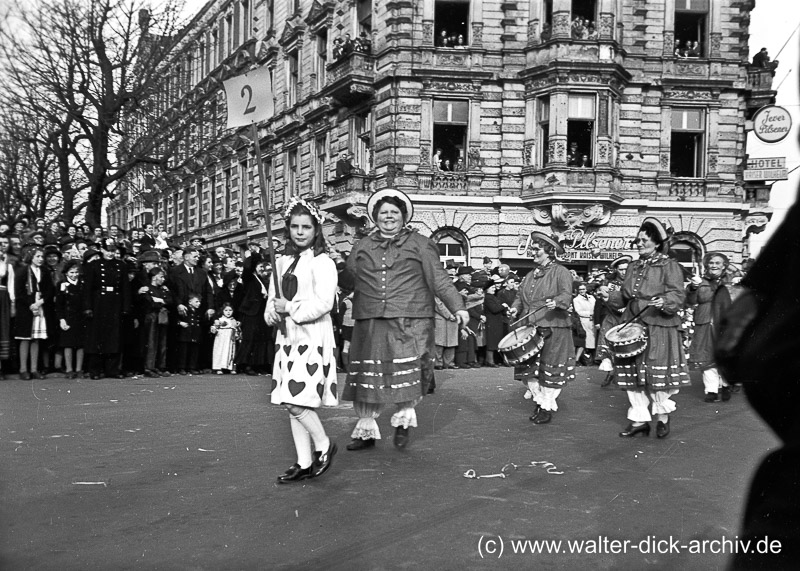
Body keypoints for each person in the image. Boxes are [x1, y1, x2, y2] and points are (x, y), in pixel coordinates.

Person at [342, 189, 468, 450]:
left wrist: (458, 306)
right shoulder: (362, 245)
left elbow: (439, 278)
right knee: (371, 374)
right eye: (384, 212)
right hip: (371, 319)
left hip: (411, 319)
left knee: (405, 372)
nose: (389, 217)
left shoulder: (421, 243)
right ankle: (365, 430)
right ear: (375, 217)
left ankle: (402, 423)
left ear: (403, 216)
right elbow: (348, 278)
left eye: (394, 212)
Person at [265, 196, 338, 483]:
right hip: (287, 339)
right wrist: (271, 313)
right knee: (290, 400)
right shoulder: (281, 262)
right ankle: (304, 461)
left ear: (315, 229)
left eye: (305, 227)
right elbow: (273, 299)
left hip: (312, 338)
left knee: (296, 401)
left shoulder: (323, 262)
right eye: (294, 226)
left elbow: (324, 303)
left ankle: (323, 445)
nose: (299, 232)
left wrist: (291, 309)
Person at [601, 218, 690, 438]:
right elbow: (624, 298)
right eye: (637, 240)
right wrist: (609, 296)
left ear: (657, 242)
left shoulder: (669, 265)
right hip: (633, 324)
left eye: (644, 240)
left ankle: (662, 418)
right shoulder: (633, 266)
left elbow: (678, 295)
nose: (638, 243)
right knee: (632, 374)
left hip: (659, 325)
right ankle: (640, 420)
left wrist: (665, 301)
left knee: (655, 375)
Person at [509, 232, 575, 424]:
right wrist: (514, 309)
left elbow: (566, 294)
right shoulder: (530, 274)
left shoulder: (560, 271)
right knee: (531, 369)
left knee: (549, 368)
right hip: (530, 327)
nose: (533, 252)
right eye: (533, 249)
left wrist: (557, 302)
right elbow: (520, 298)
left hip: (553, 326)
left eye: (537, 249)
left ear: (549, 252)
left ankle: (546, 406)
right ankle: (540, 401)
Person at [687, 252, 740, 402]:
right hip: (704, 320)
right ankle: (711, 389)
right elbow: (690, 301)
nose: (714, 266)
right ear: (706, 265)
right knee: (706, 354)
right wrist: (692, 287)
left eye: (718, 263)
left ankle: (725, 385)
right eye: (711, 263)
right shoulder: (700, 281)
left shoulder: (731, 281)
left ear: (724, 266)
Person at [82, 238, 131, 379]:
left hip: (115, 302)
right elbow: (88, 288)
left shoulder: (121, 265)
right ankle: (95, 370)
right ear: (101, 250)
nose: (110, 253)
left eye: (113, 251)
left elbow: (125, 288)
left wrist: (126, 306)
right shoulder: (94, 265)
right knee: (97, 337)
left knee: (114, 337)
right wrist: (88, 307)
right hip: (98, 303)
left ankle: (112, 369)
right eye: (108, 250)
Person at [14, 246, 54, 379]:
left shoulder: (45, 271)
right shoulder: (22, 271)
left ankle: (34, 368)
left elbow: (49, 290)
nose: (41, 259)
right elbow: (18, 292)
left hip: (40, 306)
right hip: (26, 308)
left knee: (36, 338)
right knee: (25, 338)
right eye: (38, 256)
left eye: (42, 257)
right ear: (31, 257)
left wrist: (40, 302)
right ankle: (23, 369)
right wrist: (30, 304)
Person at [234, 243, 273, 375]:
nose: (261, 268)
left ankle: (258, 363)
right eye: (258, 265)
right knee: (249, 338)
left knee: (260, 339)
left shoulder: (262, 279)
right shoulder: (249, 277)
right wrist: (252, 254)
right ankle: (244, 364)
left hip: (260, 311)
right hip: (250, 311)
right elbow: (247, 267)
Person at [595, 255, 631, 385]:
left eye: (626, 269)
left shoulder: (633, 282)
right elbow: (603, 301)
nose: (624, 272)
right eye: (621, 269)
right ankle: (610, 373)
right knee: (609, 345)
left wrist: (627, 308)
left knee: (626, 347)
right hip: (612, 317)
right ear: (616, 270)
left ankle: (623, 375)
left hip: (629, 318)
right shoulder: (609, 284)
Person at [139, 267, 172, 378]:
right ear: (154, 277)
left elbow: (169, 301)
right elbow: (149, 302)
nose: (163, 279)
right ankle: (149, 367)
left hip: (162, 316)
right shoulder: (147, 288)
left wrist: (158, 300)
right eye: (161, 276)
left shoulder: (163, 289)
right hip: (152, 316)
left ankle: (160, 366)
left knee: (162, 343)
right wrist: (159, 301)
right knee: (151, 342)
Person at [55, 260, 86, 379]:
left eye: (76, 272)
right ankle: (69, 369)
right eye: (71, 272)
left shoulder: (82, 284)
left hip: (80, 317)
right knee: (67, 343)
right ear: (66, 273)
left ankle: (79, 369)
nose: (74, 275)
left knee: (80, 344)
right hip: (68, 317)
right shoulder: (62, 285)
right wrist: (61, 319)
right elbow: (59, 305)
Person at [0, 234, 15, 379]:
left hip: (3, 299)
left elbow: (10, 286)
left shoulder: (8, 266)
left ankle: (1, 368)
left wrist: (12, 305)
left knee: (2, 330)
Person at [210, 303, 240, 374]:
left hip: (230, 339)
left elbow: (237, 329)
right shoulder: (219, 320)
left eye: (230, 310)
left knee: (230, 352)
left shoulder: (234, 321)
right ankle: (218, 368)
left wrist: (236, 333)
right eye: (226, 310)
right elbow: (214, 328)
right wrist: (214, 329)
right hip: (221, 338)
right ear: (222, 311)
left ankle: (230, 367)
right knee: (219, 352)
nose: (228, 312)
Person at [572, 282, 596, 365]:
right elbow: (578, 311)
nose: (582, 291)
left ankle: (590, 358)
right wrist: (590, 313)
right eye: (580, 289)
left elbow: (595, 307)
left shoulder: (592, 297)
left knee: (592, 339)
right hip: (583, 320)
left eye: (583, 289)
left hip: (592, 320)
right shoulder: (576, 300)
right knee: (585, 340)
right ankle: (581, 358)